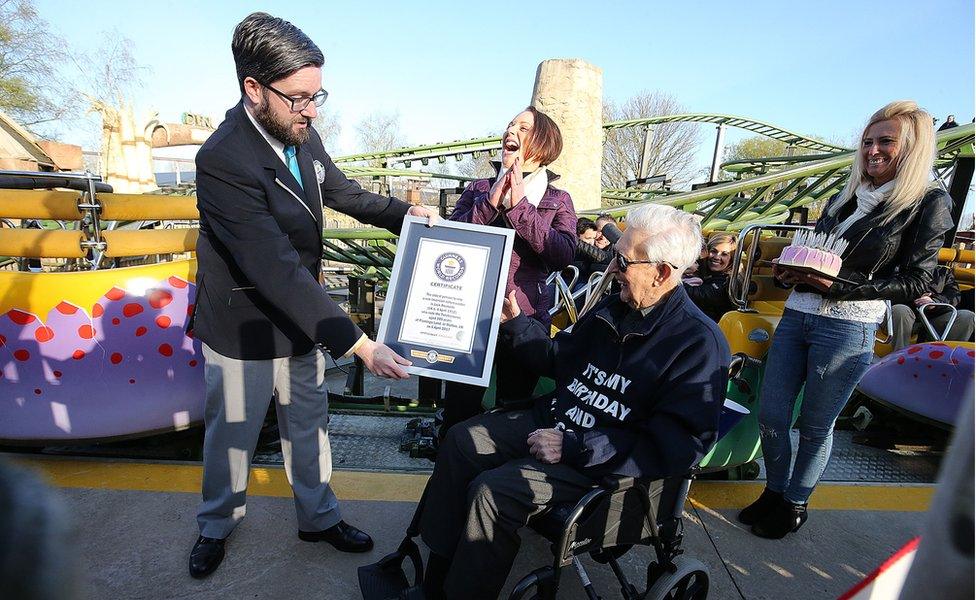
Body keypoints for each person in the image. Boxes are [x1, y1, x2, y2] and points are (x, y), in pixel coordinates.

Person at [187, 12, 438, 578]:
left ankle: (318, 517)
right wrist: (359, 345)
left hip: (299, 321)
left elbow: (341, 190)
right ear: (254, 89)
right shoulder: (223, 159)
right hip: (245, 322)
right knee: (232, 436)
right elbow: (273, 268)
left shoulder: (297, 130)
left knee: (309, 422)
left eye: (317, 94)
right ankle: (216, 523)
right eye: (299, 97)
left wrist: (406, 215)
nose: (312, 109)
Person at [416, 204, 731, 600]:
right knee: (461, 441)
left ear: (662, 272)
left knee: (493, 491)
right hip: (558, 421)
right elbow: (559, 359)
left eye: (624, 260)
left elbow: (675, 446)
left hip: (604, 464)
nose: (613, 267)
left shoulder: (698, 343)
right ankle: (437, 574)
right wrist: (516, 324)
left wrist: (575, 446)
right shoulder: (613, 309)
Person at [738, 101, 954, 539]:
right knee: (772, 414)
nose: (873, 150)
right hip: (797, 315)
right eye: (868, 141)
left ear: (911, 148)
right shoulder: (846, 195)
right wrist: (790, 269)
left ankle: (795, 502)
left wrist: (841, 288)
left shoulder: (929, 201)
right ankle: (775, 490)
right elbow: (820, 252)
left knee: (816, 426)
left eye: (886, 142)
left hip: (848, 325)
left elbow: (918, 280)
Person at [441, 107, 577, 433]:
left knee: (513, 411)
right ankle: (450, 472)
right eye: (510, 125)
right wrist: (488, 204)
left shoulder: (558, 199)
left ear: (543, 143)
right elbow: (451, 237)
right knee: (458, 408)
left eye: (523, 127)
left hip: (523, 318)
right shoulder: (477, 190)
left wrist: (520, 209)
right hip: (469, 314)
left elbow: (562, 253)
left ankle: (496, 479)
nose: (510, 130)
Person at [890, 264, 975, 349]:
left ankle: (946, 358)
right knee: (900, 310)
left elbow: (953, 296)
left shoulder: (943, 273)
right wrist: (916, 299)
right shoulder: (897, 269)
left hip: (934, 320)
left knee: (967, 316)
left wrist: (934, 302)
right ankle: (899, 357)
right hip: (906, 317)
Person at [684, 232, 738, 322]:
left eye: (724, 254)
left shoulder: (727, 282)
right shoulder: (703, 269)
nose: (717, 257)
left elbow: (697, 294)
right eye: (714, 251)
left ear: (732, 259)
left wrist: (671, 281)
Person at [573, 217, 613, 284]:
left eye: (609, 233)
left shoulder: (616, 250)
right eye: (600, 232)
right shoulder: (577, 250)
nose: (603, 237)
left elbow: (605, 257)